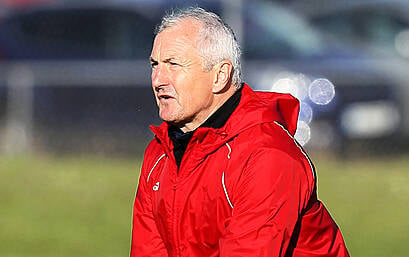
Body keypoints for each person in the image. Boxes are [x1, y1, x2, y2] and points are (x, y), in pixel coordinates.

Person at [131, 7, 350, 257]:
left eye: (173, 65)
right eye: (154, 65)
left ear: (220, 76)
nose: (158, 79)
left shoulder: (267, 154)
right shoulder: (159, 154)